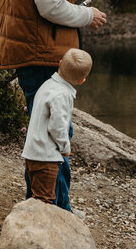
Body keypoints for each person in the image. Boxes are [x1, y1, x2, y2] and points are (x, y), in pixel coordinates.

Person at [22, 48, 91, 212]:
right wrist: (64, 147)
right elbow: (57, 127)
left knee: (35, 195)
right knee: (45, 201)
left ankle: (26, 220)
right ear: (82, 80)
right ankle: (38, 226)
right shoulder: (62, 95)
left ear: (59, 63)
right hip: (45, 157)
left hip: (33, 152)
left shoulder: (47, 85)